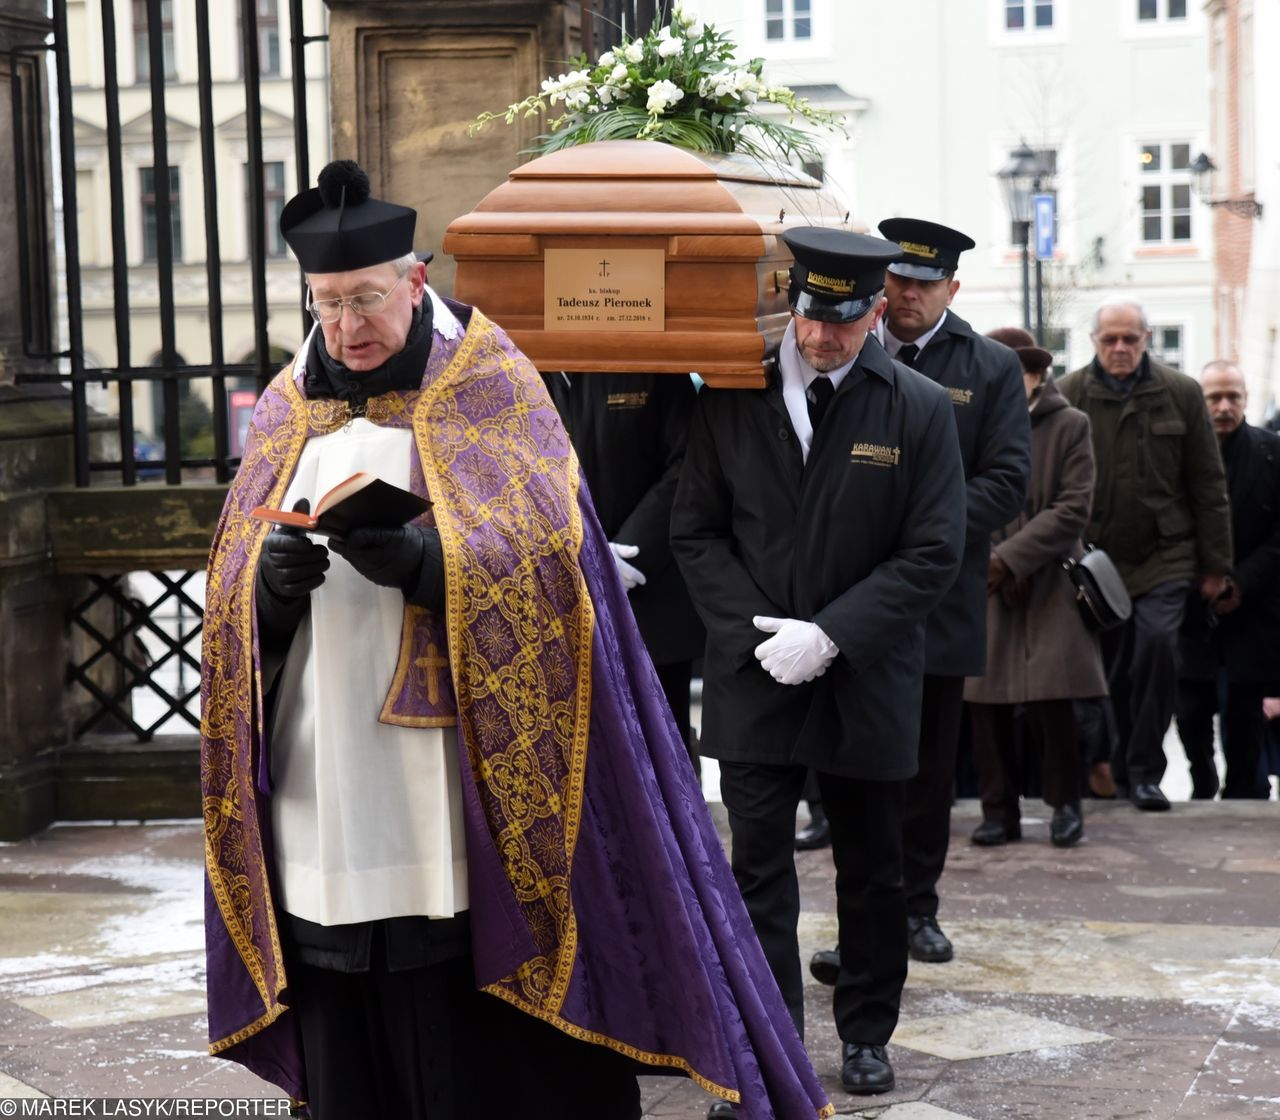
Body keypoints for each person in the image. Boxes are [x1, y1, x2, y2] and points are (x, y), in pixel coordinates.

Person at [200, 160, 833, 1120]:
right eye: (327, 306)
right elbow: (229, 581)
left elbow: (552, 558)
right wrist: (268, 595)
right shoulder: (291, 405)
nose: (347, 327)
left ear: (416, 282)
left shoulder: (491, 384)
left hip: (458, 764)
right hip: (322, 762)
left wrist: (424, 567)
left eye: (366, 299)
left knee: (466, 993)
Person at [672, 226, 966, 1107]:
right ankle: (770, 1043)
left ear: (875, 311)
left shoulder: (913, 405)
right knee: (757, 865)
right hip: (753, 669)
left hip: (865, 674)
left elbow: (932, 551)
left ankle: (867, 1031)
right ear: (792, 302)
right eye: (810, 315)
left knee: (873, 865)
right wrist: (753, 634)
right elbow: (697, 529)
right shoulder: (732, 396)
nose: (822, 337)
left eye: (842, 320)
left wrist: (830, 634)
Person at [1057, 299, 1232, 811]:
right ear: (1093, 342)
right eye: (1109, 339)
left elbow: (1208, 481)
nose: (1120, 349)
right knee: (1108, 671)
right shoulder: (1069, 396)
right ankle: (1108, 769)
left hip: (1166, 554)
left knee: (1156, 649)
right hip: (1095, 560)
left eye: (1130, 339)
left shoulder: (1180, 393)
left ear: (1146, 339)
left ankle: (1145, 772)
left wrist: (1216, 564)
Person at [965, 327, 1106, 848]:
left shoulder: (1071, 425)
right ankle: (997, 809)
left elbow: (1073, 509)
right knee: (986, 701)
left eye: (1020, 370)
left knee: (1056, 701)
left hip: (1048, 577)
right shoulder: (971, 422)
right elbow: (956, 498)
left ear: (1036, 374)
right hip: (984, 578)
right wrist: (991, 562)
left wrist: (1011, 559)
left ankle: (1066, 804)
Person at [541, 371, 705, 771]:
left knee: (663, 748)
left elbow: (687, 461)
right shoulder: (522, 365)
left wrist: (630, 550)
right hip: (556, 583)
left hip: (648, 584)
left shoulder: (648, 363)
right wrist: (580, 551)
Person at [1174, 360, 1280, 799]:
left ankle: (1241, 794)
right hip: (1190, 603)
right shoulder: (1177, 454)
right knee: (1190, 709)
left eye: (1232, 397)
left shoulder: (1271, 453)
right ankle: (1203, 783)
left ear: (1246, 400)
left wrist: (1241, 582)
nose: (1223, 406)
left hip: (1253, 607)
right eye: (1213, 397)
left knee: (1244, 715)